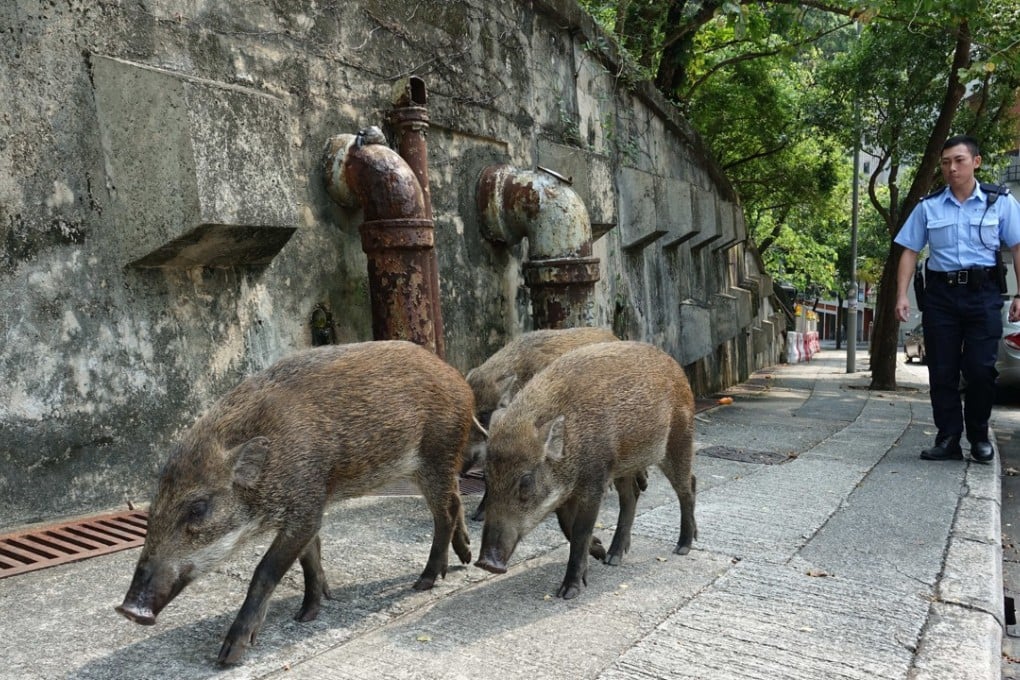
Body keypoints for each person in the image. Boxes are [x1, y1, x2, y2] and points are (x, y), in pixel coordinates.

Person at [895, 135, 1020, 462]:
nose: (952, 167)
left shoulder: (1000, 202)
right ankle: (948, 437)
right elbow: (909, 250)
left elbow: (1018, 247)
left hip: (983, 294)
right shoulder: (929, 206)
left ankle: (978, 435)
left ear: (976, 162)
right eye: (946, 161)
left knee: (981, 369)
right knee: (942, 369)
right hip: (941, 297)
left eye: (959, 160)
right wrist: (900, 296)